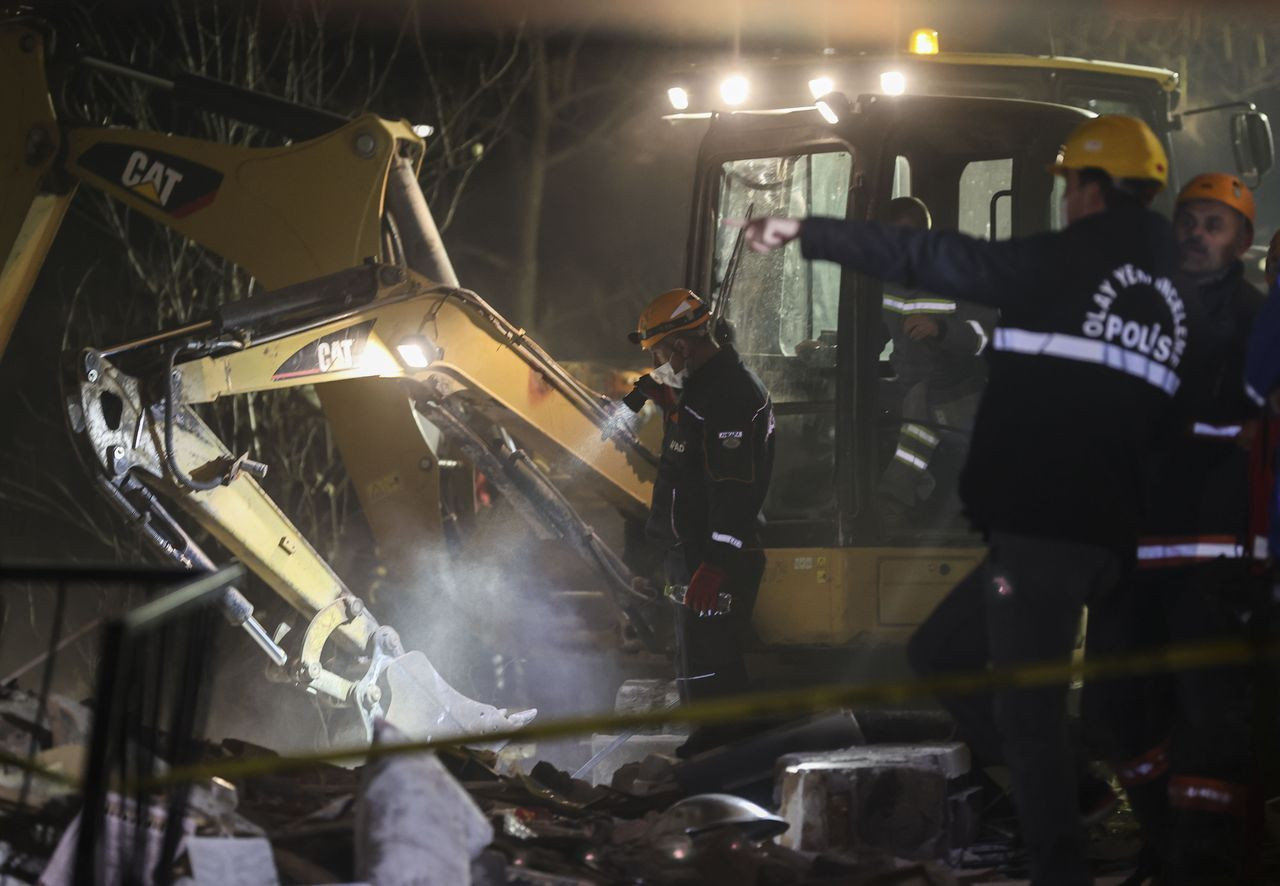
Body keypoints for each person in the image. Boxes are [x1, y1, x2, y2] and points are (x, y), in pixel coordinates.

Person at [733, 115, 1196, 885]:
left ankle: (1062, 864)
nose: (1068, 199)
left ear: (1089, 188)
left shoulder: (1062, 264)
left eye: (1070, 185)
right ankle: (1137, 831)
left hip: (1048, 524)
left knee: (1029, 716)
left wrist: (805, 229)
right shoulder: (1173, 292)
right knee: (953, 658)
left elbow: (929, 254)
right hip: (1127, 534)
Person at [1086, 173, 1266, 883]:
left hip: (1210, 557)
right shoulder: (1149, 308)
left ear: (1242, 243)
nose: (1195, 232)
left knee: (1206, 720)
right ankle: (1163, 844)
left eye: (1213, 224)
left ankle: (1201, 864)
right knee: (1120, 709)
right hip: (1134, 554)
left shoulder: (1256, 320)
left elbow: (1245, 429)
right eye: (1188, 219)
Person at [627, 289, 775, 752]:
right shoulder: (701, 389)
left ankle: (726, 758)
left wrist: (715, 565)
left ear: (682, 347)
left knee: (714, 663)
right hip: (690, 553)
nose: (657, 362)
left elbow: (734, 492)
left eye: (658, 353)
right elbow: (690, 468)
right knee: (696, 661)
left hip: (714, 558)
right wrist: (667, 401)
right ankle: (710, 747)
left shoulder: (729, 396)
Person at [876, 196, 996, 525]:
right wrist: (832, 350)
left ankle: (893, 505)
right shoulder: (887, 280)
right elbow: (876, 331)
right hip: (906, 385)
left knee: (919, 409)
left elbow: (986, 334)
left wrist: (942, 330)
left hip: (959, 391)